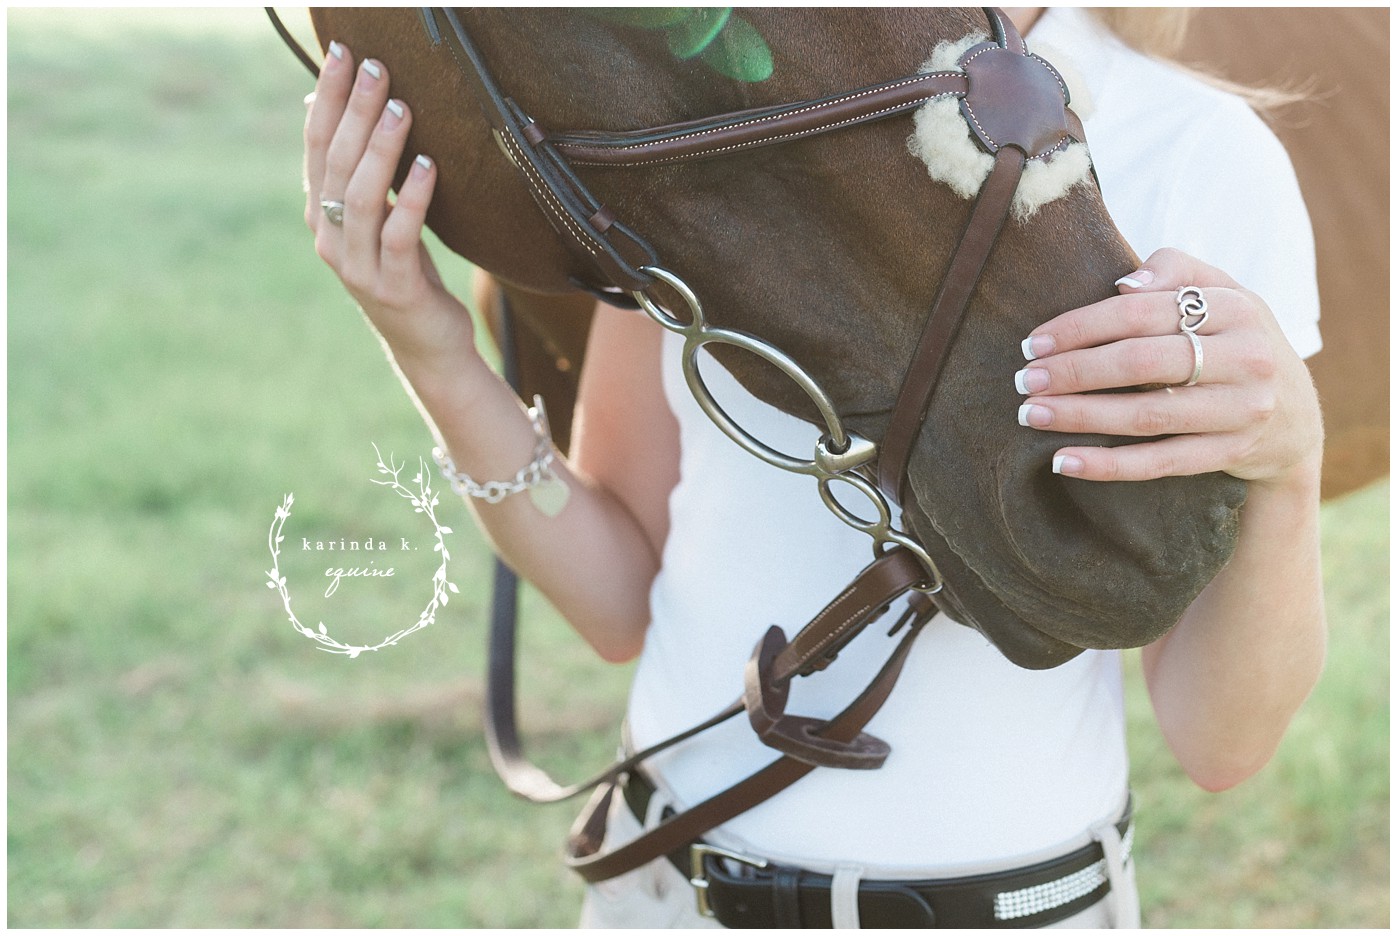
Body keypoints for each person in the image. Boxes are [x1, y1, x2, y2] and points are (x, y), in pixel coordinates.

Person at [299, 7, 1325, 928]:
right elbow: (617, 600)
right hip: (668, 898)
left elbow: (1217, 740)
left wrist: (1289, 465)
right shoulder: (721, 88)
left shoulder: (1198, 153)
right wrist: (425, 340)